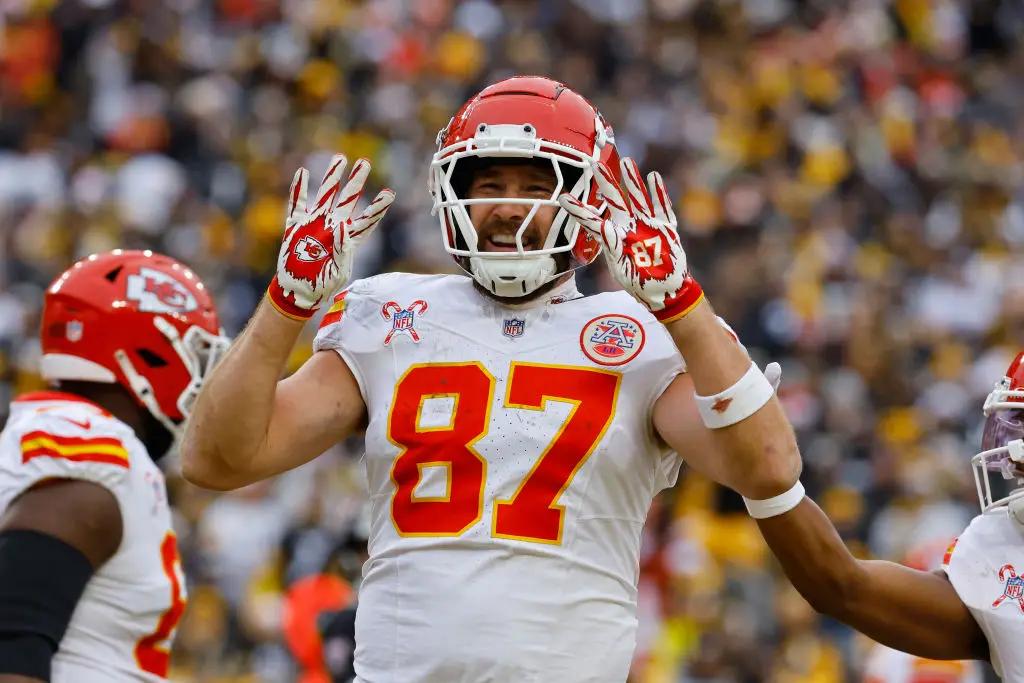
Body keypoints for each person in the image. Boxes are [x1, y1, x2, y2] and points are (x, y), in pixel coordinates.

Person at [181, 76, 798, 682]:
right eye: (490, 184)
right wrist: (284, 304)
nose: (507, 206)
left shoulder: (640, 333)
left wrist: (683, 304)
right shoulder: (390, 314)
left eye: (535, 185)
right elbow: (216, 459)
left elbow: (769, 469)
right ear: (452, 193)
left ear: (589, 202)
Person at [0, 250, 230, 682]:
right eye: (195, 358)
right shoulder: (91, 456)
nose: (201, 383)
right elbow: (13, 647)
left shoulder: (46, 432)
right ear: (151, 354)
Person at [736, 350, 1024, 681]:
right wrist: (769, 483)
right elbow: (843, 588)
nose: (1013, 459)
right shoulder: (1002, 546)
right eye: (1014, 431)